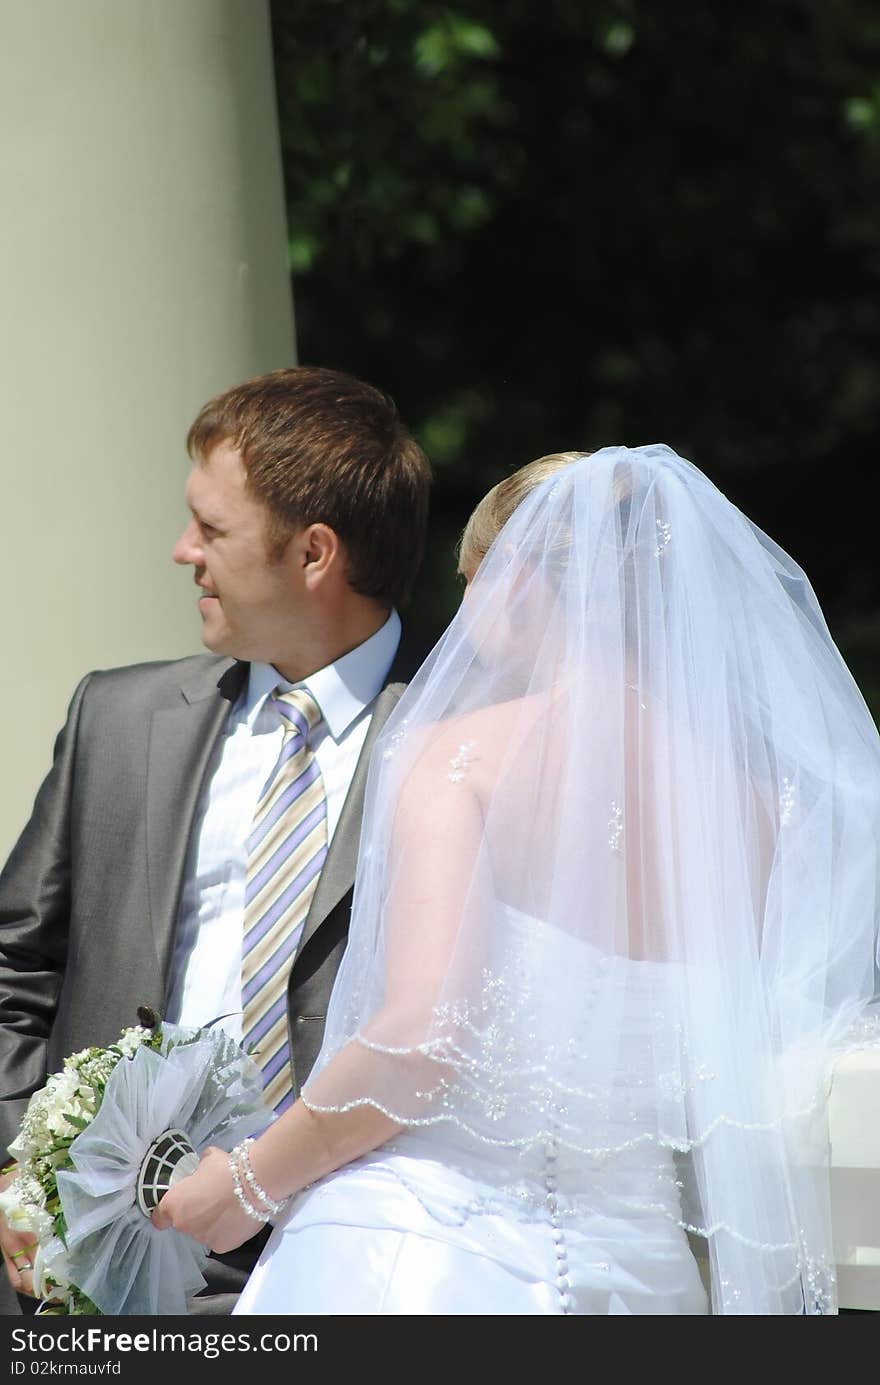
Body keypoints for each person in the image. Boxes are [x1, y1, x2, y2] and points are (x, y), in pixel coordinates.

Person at [154, 443, 879, 1313]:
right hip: (645, 1277)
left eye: (472, 582)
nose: (463, 616)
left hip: (431, 1256)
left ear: (522, 578)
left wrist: (242, 1186)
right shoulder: (757, 810)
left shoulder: (456, 754)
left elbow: (419, 1039)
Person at [0, 365, 432, 1313]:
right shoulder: (115, 718)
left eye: (213, 528)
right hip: (85, 1274)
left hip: (348, 1264)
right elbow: (14, 968)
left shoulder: (460, 739)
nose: (181, 550)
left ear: (314, 553)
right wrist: (16, 1171)